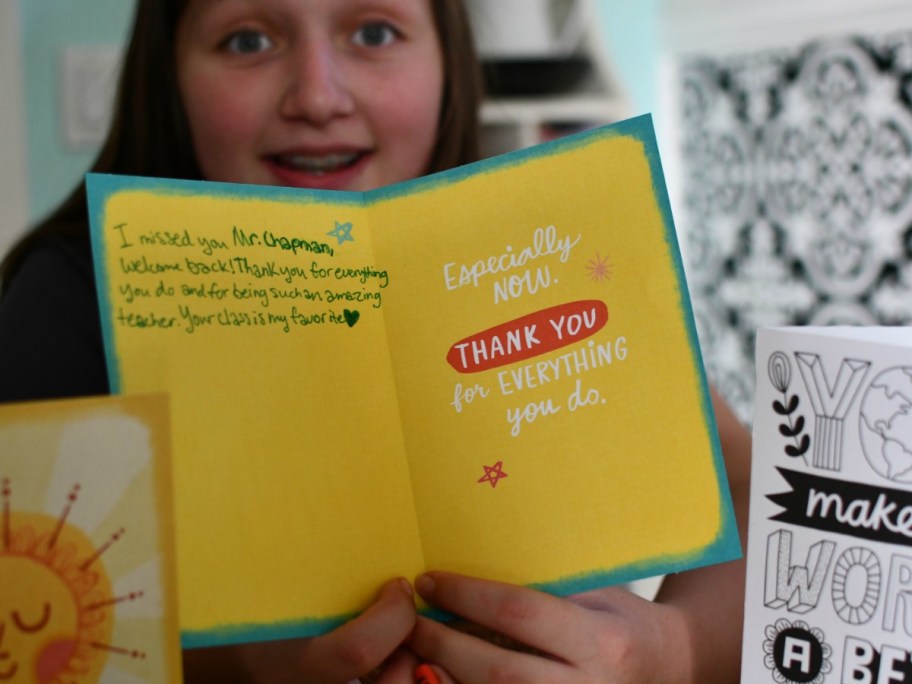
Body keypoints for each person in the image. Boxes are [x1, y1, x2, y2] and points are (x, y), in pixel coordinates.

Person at [0, 0, 751, 681]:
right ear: (168, 77)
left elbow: (756, 488)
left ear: (448, 59)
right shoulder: (64, 305)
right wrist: (233, 664)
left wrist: (670, 650)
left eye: (374, 32)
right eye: (249, 38)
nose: (318, 97)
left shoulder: (529, 249)